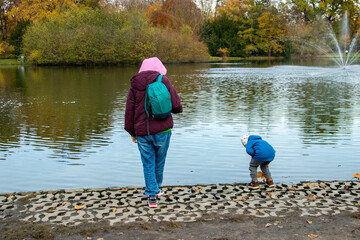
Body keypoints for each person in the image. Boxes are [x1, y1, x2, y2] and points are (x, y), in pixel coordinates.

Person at [124, 57, 183, 208]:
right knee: (159, 161)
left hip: (142, 132)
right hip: (163, 130)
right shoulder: (163, 80)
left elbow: (129, 111)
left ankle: (152, 195)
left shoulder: (134, 84)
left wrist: (132, 132)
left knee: (148, 162)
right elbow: (176, 105)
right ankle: (156, 189)